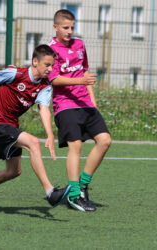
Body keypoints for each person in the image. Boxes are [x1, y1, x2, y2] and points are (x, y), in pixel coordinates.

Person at [0, 44, 71, 210]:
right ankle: (50, 192)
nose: (50, 69)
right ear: (34, 62)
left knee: (13, 171)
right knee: (33, 142)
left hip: (10, 126)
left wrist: (50, 134)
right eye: (47, 65)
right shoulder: (15, 74)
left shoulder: (45, 86)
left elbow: (44, 109)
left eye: (52, 65)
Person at [48, 9, 111, 212]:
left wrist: (92, 99)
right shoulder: (50, 49)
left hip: (85, 103)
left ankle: (83, 185)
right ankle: (74, 195)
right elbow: (54, 79)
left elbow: (85, 71)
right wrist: (80, 81)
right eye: (65, 27)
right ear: (55, 27)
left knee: (105, 141)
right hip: (64, 105)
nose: (69, 31)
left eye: (72, 27)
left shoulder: (80, 44)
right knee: (75, 146)